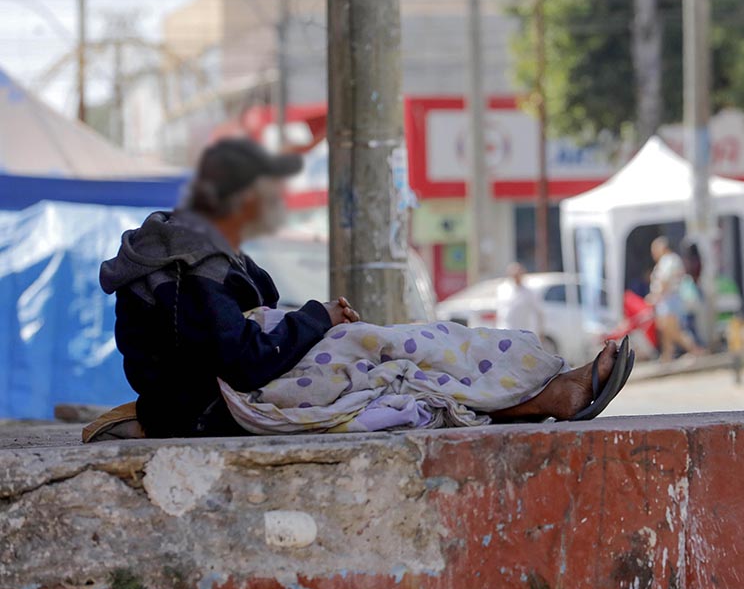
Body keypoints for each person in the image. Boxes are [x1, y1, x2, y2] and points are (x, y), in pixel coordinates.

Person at [98, 138, 630, 439]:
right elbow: (244, 359)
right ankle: (555, 393)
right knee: (402, 368)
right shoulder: (193, 262)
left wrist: (317, 321)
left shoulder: (197, 252)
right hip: (214, 406)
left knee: (410, 350)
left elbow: (254, 317)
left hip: (214, 394)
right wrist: (319, 319)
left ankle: (552, 386)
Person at [646, 236, 704, 363]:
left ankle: (695, 350)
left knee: (672, 330)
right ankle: (667, 355)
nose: (653, 253)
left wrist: (655, 296)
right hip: (666, 300)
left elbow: (664, 281)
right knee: (665, 330)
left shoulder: (669, 260)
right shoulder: (668, 260)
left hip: (669, 300)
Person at [496, 262, 546, 337]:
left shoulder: (529, 292)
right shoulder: (503, 289)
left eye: (518, 274)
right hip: (505, 331)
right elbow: (500, 311)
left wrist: (540, 332)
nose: (516, 276)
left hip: (522, 332)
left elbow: (539, 313)